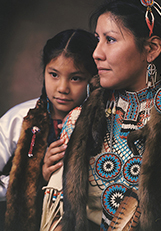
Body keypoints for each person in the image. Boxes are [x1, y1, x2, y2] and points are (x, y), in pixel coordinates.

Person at [43, 0, 161, 231]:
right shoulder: (78, 121)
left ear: (151, 49)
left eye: (110, 39)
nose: (96, 53)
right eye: (98, 40)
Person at [1, 28, 98, 231]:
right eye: (54, 74)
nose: (62, 87)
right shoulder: (20, 119)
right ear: (44, 71)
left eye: (76, 78)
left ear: (93, 79)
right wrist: (37, 174)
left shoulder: (100, 124)